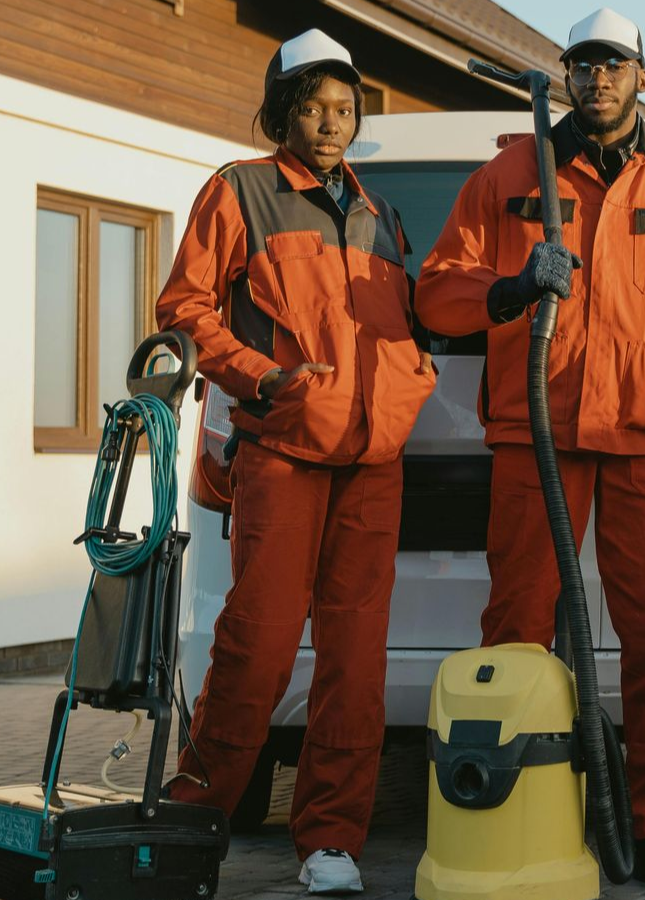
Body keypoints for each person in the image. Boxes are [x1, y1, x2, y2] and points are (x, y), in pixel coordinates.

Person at [416, 7, 645, 896]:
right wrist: (511, 286)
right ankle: (516, 805)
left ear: (643, 77)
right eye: (584, 64)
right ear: (565, 75)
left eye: (614, 65)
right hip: (538, 430)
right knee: (521, 628)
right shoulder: (507, 173)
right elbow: (440, 295)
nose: (598, 78)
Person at [154, 28, 436, 896]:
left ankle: (331, 842)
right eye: (311, 107)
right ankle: (191, 823)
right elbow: (186, 308)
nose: (329, 123)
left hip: (372, 462)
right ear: (282, 110)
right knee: (257, 645)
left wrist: (413, 377)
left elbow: (405, 326)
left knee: (356, 661)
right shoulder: (240, 192)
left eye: (344, 109)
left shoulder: (380, 214)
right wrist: (265, 376)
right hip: (280, 450)